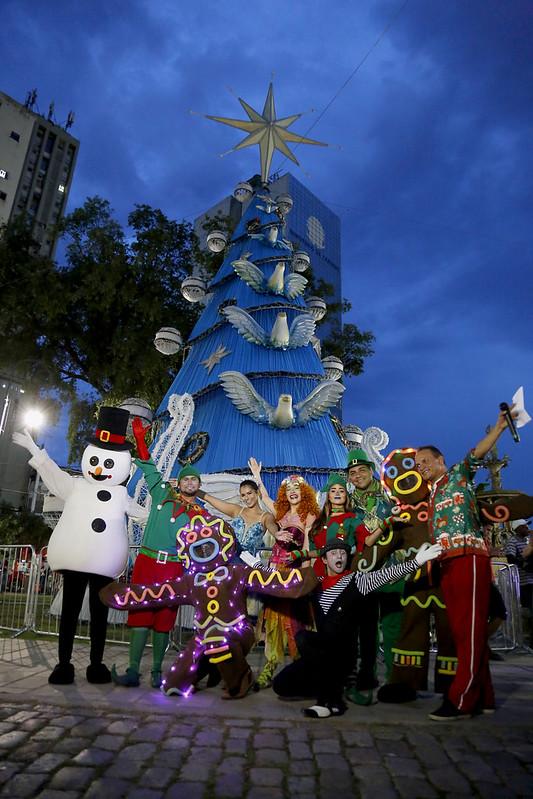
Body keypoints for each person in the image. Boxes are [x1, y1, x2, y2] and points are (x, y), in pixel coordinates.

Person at [415, 405, 516, 720]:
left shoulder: (458, 475)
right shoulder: (431, 495)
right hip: (448, 563)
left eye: (426, 462)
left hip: (469, 558)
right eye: (417, 465)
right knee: (463, 631)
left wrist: (498, 428)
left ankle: (461, 700)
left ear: (441, 461)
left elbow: (476, 453)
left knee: (470, 629)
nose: (421, 467)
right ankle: (484, 695)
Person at [272, 538, 442, 718]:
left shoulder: (356, 580)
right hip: (322, 655)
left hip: (342, 653)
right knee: (281, 684)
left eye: (343, 553)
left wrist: (416, 562)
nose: (339, 557)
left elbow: (385, 575)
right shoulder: (316, 584)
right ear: (324, 559)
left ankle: (330, 701)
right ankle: (333, 685)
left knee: (303, 637)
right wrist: (257, 566)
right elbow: (285, 581)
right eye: (334, 553)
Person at [112, 418, 209, 689]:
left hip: (175, 567)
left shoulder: (201, 515)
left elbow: (209, 544)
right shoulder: (162, 492)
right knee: (141, 612)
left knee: (165, 616)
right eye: (186, 478)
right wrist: (141, 440)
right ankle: (133, 670)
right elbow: (150, 466)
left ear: (198, 485)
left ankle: (156, 672)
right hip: (147, 561)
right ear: (179, 483)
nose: (190, 482)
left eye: (194, 479)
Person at [255, 474, 319, 688]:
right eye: (288, 489)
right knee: (273, 621)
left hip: (293, 573)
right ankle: (270, 665)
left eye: (297, 488)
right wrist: (257, 476)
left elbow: (308, 549)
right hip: (275, 571)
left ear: (304, 493)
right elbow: (263, 496)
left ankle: (300, 668)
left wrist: (304, 578)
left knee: (293, 622)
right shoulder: (281, 515)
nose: (293, 491)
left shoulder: (308, 516)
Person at [346, 449, 396, 705]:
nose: (357, 476)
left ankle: (396, 678)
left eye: (361, 471)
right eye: (352, 473)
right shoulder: (349, 502)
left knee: (391, 624)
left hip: (390, 568)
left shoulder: (389, 494)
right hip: (363, 570)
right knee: (365, 627)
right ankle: (367, 675)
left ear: (371, 470)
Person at [505, 518, 533, 648]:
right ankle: (528, 637)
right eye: (524, 527)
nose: (527, 529)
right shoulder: (512, 541)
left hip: (531, 579)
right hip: (523, 581)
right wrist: (524, 564)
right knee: (528, 609)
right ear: (517, 529)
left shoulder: (528, 540)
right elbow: (511, 558)